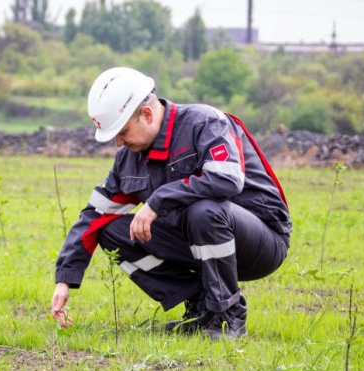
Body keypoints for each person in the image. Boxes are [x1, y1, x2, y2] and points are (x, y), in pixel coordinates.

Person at [50, 67, 291, 339]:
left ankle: (227, 314)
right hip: (199, 242)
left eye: (122, 131)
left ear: (147, 114)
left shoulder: (206, 123)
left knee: (204, 210)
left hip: (261, 243)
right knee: (111, 230)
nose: (118, 142)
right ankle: (201, 306)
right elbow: (95, 215)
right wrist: (65, 279)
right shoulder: (128, 159)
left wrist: (157, 201)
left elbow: (227, 180)